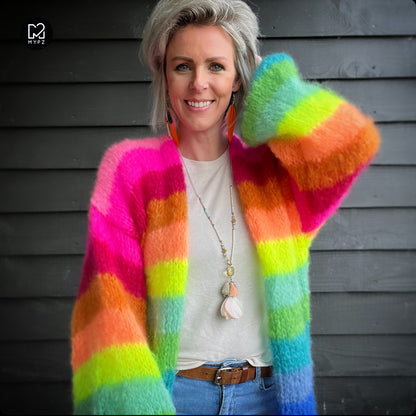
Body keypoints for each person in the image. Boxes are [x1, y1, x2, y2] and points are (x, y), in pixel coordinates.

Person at [70, 0, 380, 414]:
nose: (199, 83)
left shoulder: (274, 172)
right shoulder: (131, 171)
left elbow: (352, 143)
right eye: (183, 66)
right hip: (175, 398)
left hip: (270, 396)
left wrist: (266, 79)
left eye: (216, 66)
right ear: (164, 74)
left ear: (238, 77)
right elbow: (111, 310)